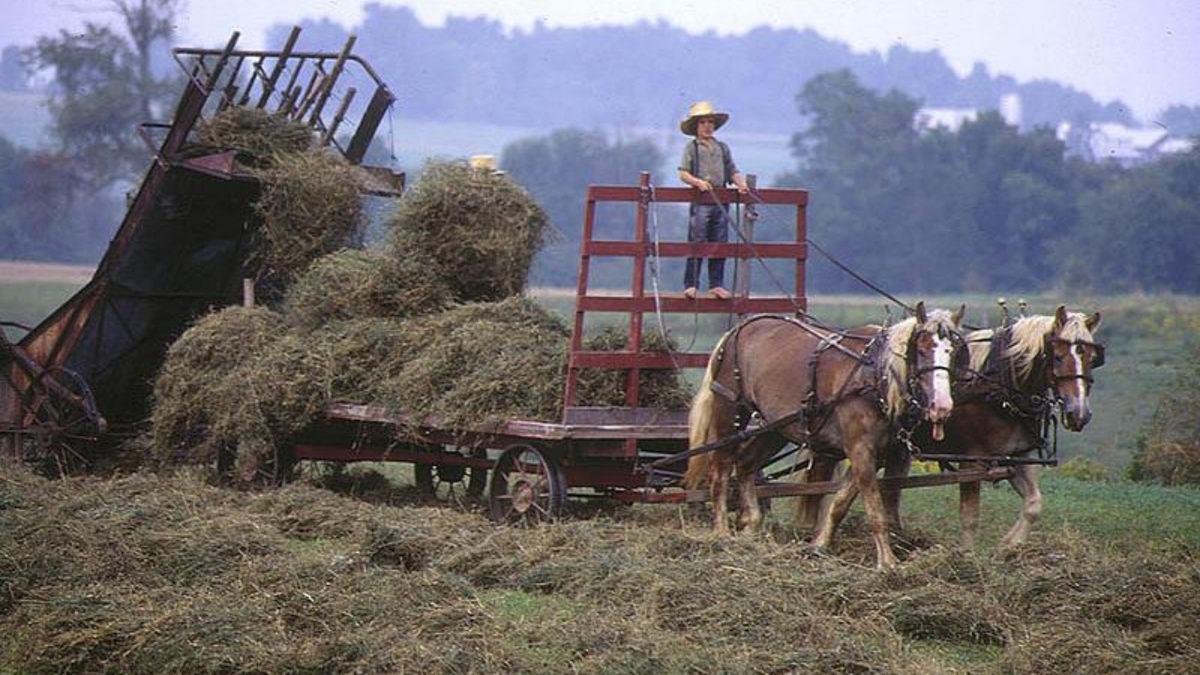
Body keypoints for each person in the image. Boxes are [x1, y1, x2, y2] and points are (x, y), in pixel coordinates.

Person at [677, 101, 752, 300]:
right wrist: (698, 182)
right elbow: (683, 173)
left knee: (720, 242)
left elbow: (732, 170)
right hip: (701, 201)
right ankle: (691, 284)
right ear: (696, 126)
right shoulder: (692, 147)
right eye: (703, 122)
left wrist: (741, 184)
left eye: (710, 122)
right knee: (698, 241)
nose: (708, 126)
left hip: (721, 199)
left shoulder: (722, 148)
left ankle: (716, 284)